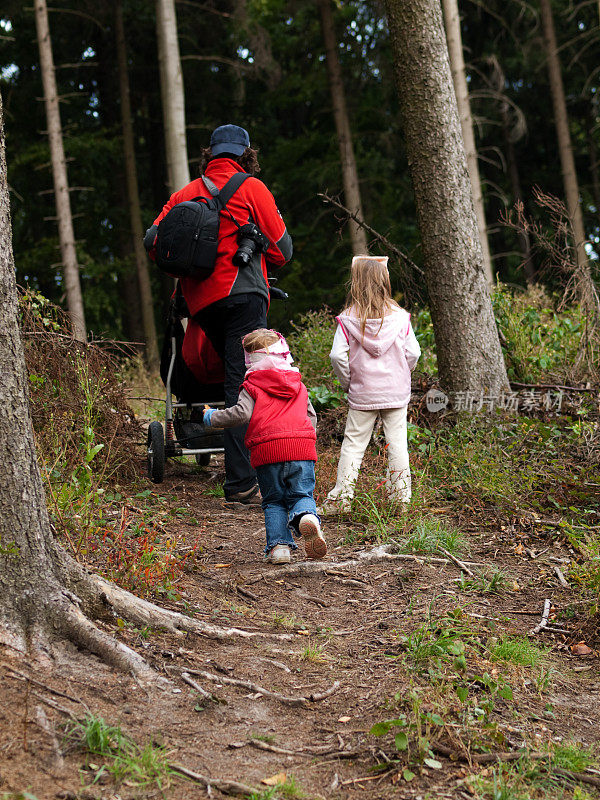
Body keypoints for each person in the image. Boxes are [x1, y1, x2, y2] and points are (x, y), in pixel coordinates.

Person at [146, 125, 293, 504]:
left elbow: (154, 242)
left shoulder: (185, 193)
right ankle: (242, 482)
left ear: (208, 154)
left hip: (201, 303)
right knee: (244, 384)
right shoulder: (252, 188)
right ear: (246, 155)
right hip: (243, 295)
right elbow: (282, 249)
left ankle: (233, 463)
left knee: (229, 377)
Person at [203, 329, 326, 565]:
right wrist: (303, 439)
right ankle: (307, 516)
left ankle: (280, 548)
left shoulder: (252, 385)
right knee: (301, 494)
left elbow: (241, 414)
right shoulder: (298, 384)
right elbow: (312, 417)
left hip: (268, 451)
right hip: (301, 448)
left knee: (274, 500)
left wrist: (212, 417)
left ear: (249, 359)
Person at [324, 256, 421, 512]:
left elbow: (336, 356)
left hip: (363, 392)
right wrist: (402, 374)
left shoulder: (347, 319)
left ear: (356, 283)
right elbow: (414, 353)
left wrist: (348, 382)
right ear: (385, 282)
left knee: (353, 445)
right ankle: (401, 502)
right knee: (397, 444)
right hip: (395, 391)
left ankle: (341, 500)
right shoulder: (400, 317)